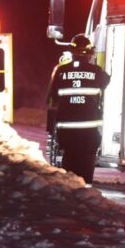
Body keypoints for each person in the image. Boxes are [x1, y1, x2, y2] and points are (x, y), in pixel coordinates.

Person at [46, 34, 110, 184]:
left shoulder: (60, 71)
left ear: (71, 52)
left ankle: (71, 191)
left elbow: (50, 99)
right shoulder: (97, 72)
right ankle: (86, 191)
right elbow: (106, 81)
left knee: (70, 164)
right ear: (89, 53)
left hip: (67, 129)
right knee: (86, 163)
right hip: (89, 129)